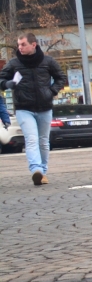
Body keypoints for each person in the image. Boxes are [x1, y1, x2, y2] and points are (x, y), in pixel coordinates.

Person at [0, 34, 68, 185]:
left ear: (33, 45)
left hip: (45, 107)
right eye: (19, 45)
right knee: (31, 139)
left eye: (23, 44)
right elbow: (1, 79)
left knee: (43, 141)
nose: (20, 47)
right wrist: (7, 84)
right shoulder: (14, 63)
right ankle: (36, 170)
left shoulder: (48, 61)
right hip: (24, 108)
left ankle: (42, 172)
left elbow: (61, 77)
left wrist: (51, 92)